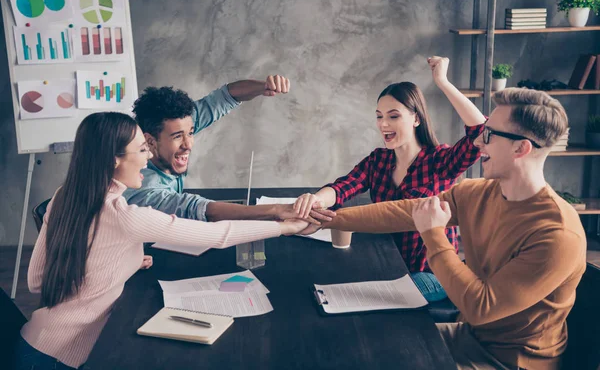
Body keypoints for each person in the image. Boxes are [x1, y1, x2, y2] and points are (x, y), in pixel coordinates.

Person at [313, 88, 587, 369]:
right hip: (468, 337)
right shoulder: (477, 193)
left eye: (489, 134)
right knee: (355, 345)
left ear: (521, 148)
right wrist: (325, 218)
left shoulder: (557, 234)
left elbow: (480, 308)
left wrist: (433, 235)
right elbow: (406, 211)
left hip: (509, 362)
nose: (479, 142)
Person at [15, 112, 309, 370]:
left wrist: (125, 261)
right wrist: (285, 228)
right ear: (113, 159)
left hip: (31, 344)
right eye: (142, 149)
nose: (147, 158)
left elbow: (37, 281)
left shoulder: (64, 195)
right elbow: (218, 235)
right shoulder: (124, 216)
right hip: (61, 359)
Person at [293, 57, 486, 301]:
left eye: (393, 116)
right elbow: (344, 187)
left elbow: (480, 132)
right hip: (387, 265)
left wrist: (442, 82)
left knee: (358, 296)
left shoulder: (440, 161)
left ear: (416, 119)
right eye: (379, 116)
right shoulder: (379, 160)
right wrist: (316, 199)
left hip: (430, 274)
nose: (383, 124)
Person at [124, 75, 333, 225]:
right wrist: (279, 210)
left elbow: (226, 96)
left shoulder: (171, 126)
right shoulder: (140, 186)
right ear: (149, 141)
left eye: (191, 132)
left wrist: (264, 86)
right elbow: (199, 209)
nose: (189, 144)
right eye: (178, 137)